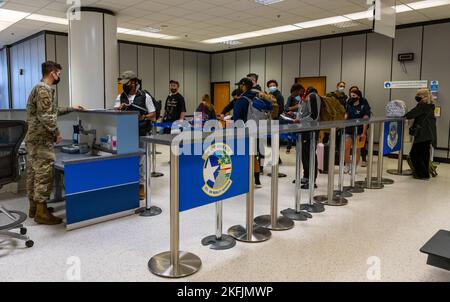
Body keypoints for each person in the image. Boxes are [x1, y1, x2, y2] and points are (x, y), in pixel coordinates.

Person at [26, 61, 81, 225]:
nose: (59, 77)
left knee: (34, 174)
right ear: (53, 73)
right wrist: (56, 133)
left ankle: (35, 208)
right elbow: (46, 117)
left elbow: (52, 111)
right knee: (43, 174)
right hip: (41, 140)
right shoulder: (44, 90)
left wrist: (71, 107)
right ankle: (41, 214)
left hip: (34, 138)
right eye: (59, 74)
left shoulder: (40, 88)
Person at [114, 70, 156, 200]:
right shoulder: (120, 96)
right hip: (126, 133)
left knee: (141, 161)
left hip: (141, 133)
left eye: (127, 83)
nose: (125, 85)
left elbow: (153, 114)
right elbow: (115, 110)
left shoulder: (145, 96)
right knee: (128, 160)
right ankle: (129, 184)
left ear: (134, 82)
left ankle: (141, 186)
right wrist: (119, 108)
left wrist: (143, 117)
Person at [232, 77, 262, 187]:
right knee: (254, 155)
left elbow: (237, 117)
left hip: (244, 131)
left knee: (242, 155)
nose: (239, 87)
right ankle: (257, 180)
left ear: (244, 86)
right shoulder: (257, 96)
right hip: (257, 129)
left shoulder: (242, 99)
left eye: (240, 85)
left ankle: (243, 179)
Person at [405, 88, 437, 180]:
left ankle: (422, 174)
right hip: (429, 133)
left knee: (414, 154)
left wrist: (404, 115)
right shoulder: (430, 105)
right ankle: (425, 173)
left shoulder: (423, 105)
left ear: (424, 96)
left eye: (418, 95)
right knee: (424, 154)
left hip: (423, 133)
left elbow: (411, 114)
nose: (417, 97)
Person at [295, 86, 321, 189]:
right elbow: (304, 113)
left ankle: (312, 180)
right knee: (304, 153)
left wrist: (300, 121)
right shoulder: (306, 98)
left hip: (311, 130)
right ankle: (306, 176)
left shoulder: (313, 96)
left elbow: (314, 116)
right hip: (304, 129)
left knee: (310, 154)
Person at [344, 88, 370, 174]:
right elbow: (346, 115)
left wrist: (363, 133)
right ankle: (347, 164)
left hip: (359, 131)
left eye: (354, 96)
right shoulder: (349, 105)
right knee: (346, 148)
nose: (352, 97)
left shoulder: (364, 106)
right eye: (351, 96)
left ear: (358, 96)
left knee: (357, 150)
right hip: (349, 130)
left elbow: (366, 120)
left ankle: (354, 167)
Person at [284, 84, 305, 154]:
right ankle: (288, 147)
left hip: (299, 119)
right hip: (292, 118)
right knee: (290, 133)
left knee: (298, 134)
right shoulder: (291, 97)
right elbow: (287, 108)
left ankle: (298, 147)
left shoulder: (301, 98)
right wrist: (296, 107)